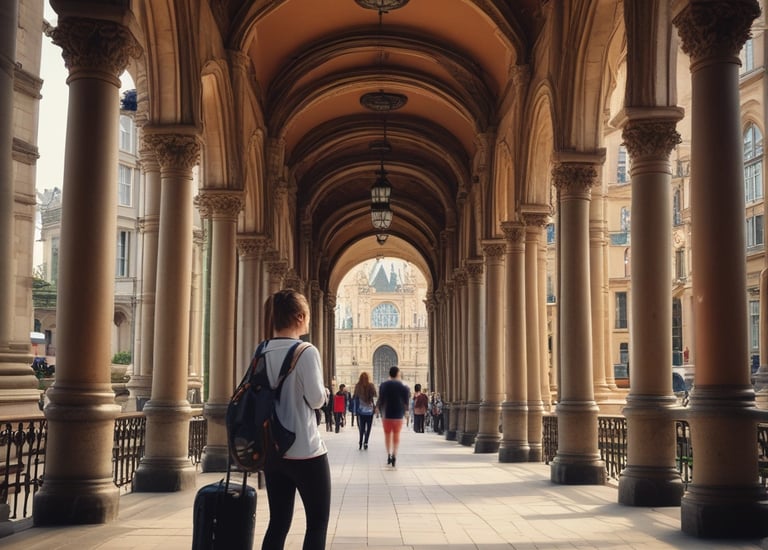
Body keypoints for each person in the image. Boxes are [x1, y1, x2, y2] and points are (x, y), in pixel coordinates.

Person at [259, 289, 330, 550]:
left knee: (278, 523)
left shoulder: (262, 350)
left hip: (273, 450)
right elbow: (315, 399)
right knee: (317, 523)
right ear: (300, 317)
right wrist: (325, 393)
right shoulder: (306, 351)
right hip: (305, 450)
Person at [376, 366, 410, 467]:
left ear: (389, 374)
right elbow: (406, 402)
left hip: (387, 414)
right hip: (398, 415)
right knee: (396, 435)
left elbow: (381, 399)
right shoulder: (404, 386)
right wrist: (407, 412)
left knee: (387, 435)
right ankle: (395, 454)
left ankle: (389, 455)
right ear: (398, 374)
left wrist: (377, 408)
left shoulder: (383, 385)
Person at [352, 371, 377, 450]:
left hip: (361, 411)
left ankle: (360, 442)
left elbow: (354, 397)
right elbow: (375, 396)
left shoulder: (358, 386)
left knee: (361, 427)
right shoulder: (371, 386)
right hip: (370, 411)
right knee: (368, 428)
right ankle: (366, 442)